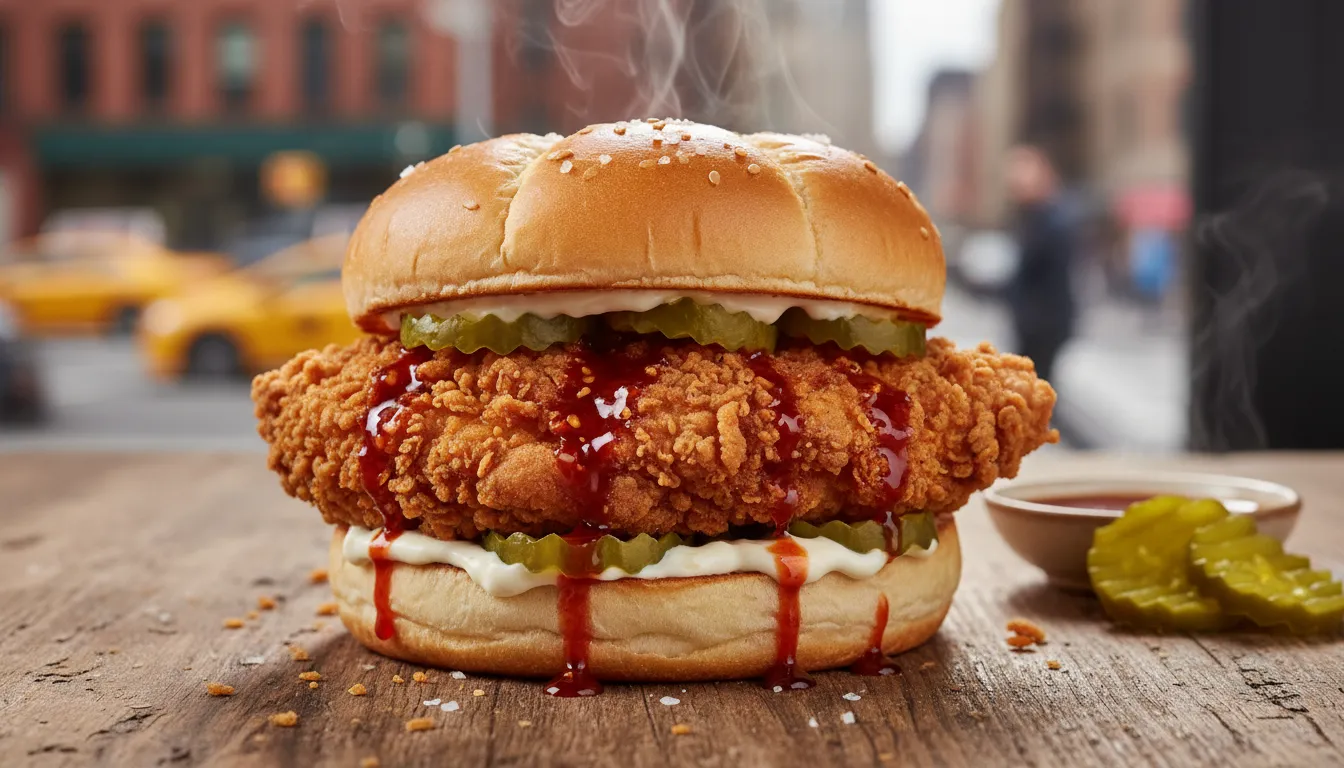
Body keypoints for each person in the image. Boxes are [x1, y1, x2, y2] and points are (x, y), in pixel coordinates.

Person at [1004, 145, 1076, 383]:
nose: (1015, 180)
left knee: (1035, 391)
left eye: (1023, 171)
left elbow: (1032, 269)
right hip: (1035, 325)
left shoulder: (1051, 219)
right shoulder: (1035, 217)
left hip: (1042, 327)